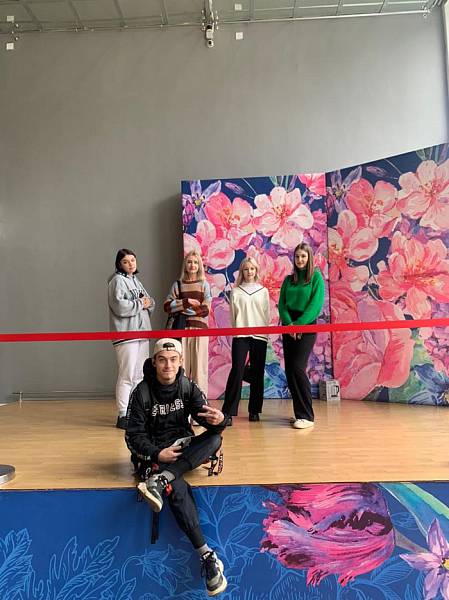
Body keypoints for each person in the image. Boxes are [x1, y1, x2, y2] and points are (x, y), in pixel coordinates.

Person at [125, 338, 227, 597]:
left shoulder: (187, 386)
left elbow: (210, 423)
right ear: (154, 362)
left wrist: (221, 420)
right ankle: (207, 556)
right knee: (177, 488)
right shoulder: (141, 392)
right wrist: (157, 453)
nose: (168, 365)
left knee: (215, 439)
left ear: (181, 361)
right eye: (162, 360)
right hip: (155, 455)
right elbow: (132, 437)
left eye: (173, 360)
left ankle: (162, 480)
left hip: (181, 450)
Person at [278, 242, 325, 430]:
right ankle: (299, 414)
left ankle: (307, 416)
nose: (300, 260)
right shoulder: (288, 280)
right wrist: (290, 325)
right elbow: (282, 305)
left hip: (306, 325)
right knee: (290, 370)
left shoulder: (316, 277)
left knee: (298, 368)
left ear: (309, 258)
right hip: (288, 325)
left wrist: (298, 325)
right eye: (297, 256)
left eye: (303, 256)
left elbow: (315, 306)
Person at [108, 248, 155, 429]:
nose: (130, 264)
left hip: (142, 333)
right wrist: (141, 303)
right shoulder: (117, 280)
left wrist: (146, 303)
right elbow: (119, 306)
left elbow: (150, 302)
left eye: (133, 260)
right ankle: (123, 414)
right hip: (127, 334)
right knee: (126, 374)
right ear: (119, 264)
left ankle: (135, 411)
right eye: (126, 261)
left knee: (139, 375)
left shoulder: (136, 280)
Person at [222, 257, 270, 425]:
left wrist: (264, 333)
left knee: (257, 372)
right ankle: (228, 412)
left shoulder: (263, 291)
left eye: (252, 268)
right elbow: (233, 315)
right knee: (237, 370)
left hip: (260, 335)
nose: (249, 271)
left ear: (256, 271)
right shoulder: (236, 291)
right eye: (246, 269)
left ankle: (254, 410)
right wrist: (238, 330)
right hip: (241, 334)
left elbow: (266, 314)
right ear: (241, 271)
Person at [164, 251, 211, 399]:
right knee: (181, 367)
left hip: (200, 330)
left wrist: (183, 309)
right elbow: (167, 306)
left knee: (199, 369)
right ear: (185, 265)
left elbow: (206, 309)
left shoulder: (204, 285)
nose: (192, 265)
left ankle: (200, 403)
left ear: (199, 266)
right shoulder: (178, 285)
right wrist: (187, 302)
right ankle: (180, 402)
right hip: (181, 329)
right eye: (189, 262)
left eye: (196, 262)